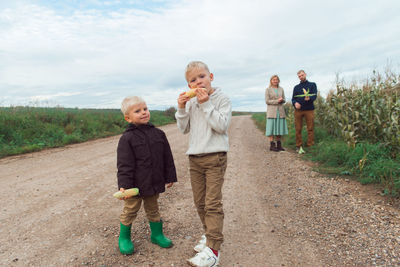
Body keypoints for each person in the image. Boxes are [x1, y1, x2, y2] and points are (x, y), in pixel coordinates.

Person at [176, 61, 231, 267]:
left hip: (215, 157)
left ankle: (214, 251)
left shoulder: (222, 98)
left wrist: (206, 103)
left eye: (202, 76)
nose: (199, 81)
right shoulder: (191, 103)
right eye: (193, 80)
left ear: (211, 76)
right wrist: (181, 108)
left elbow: (221, 125)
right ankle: (209, 235)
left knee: (212, 204)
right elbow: (183, 129)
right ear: (189, 85)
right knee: (200, 203)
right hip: (195, 158)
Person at [116, 96, 177, 255]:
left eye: (145, 109)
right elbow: (124, 165)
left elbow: (167, 157)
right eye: (138, 111)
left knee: (153, 209)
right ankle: (124, 238)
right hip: (134, 186)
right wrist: (124, 185)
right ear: (128, 118)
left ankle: (157, 234)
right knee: (130, 211)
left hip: (153, 182)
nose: (144, 112)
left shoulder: (159, 134)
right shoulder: (127, 138)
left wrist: (170, 176)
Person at [291, 70, 318, 152]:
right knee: (298, 129)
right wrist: (295, 103)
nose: (301, 77)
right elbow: (293, 99)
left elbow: (314, 96)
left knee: (310, 128)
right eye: (299, 76)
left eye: (302, 75)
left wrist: (309, 98)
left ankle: (310, 145)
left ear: (305, 75)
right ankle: (298, 146)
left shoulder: (312, 85)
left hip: (309, 110)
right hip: (298, 110)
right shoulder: (296, 87)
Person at [265, 74, 288, 151]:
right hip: (272, 112)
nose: (275, 81)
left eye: (276, 79)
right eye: (273, 79)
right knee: (271, 128)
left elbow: (284, 100)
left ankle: (279, 145)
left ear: (278, 81)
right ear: (271, 81)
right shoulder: (268, 89)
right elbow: (267, 101)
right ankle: (272, 145)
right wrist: (277, 101)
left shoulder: (281, 89)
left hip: (280, 111)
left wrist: (282, 100)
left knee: (279, 128)